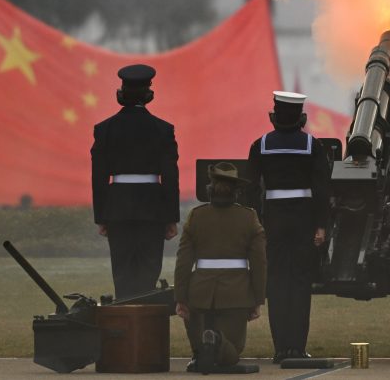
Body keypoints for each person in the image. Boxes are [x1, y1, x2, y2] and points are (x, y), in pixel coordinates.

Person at [245, 91, 331, 363]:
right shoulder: (312, 145)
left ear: (274, 116)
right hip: (303, 220)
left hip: (272, 221)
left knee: (277, 282)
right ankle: (297, 348)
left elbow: (250, 190)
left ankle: (280, 347)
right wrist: (321, 225)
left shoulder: (260, 145)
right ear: (301, 117)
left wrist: (256, 221)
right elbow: (321, 189)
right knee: (300, 283)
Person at [91, 64, 179, 300]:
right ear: (148, 93)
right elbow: (170, 177)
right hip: (152, 209)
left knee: (122, 272)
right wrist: (171, 217)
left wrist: (102, 216)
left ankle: (125, 322)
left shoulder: (104, 129)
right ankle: (147, 325)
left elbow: (98, 177)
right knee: (149, 272)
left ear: (122, 92)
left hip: (117, 208)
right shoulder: (163, 130)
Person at [175, 162, 266, 373]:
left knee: (201, 352)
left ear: (209, 188)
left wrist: (181, 297)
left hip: (199, 294)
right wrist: (257, 300)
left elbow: (183, 261)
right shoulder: (248, 217)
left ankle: (202, 351)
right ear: (237, 191)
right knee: (231, 353)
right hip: (236, 295)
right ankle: (215, 340)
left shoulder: (196, 216)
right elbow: (260, 262)